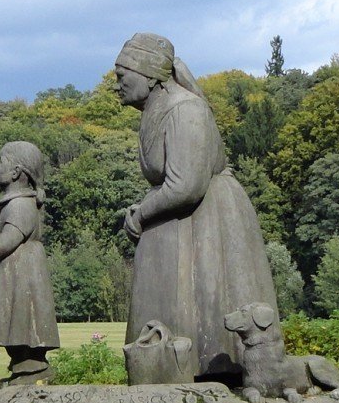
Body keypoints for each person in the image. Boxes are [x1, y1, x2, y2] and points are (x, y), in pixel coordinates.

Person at [113, 32, 274, 384]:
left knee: (210, 309)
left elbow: (186, 185)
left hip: (211, 221)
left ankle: (215, 379)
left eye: (122, 76)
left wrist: (141, 213)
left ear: (150, 75)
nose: (117, 85)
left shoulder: (186, 110)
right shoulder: (156, 110)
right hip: (180, 220)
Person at [0, 141, 59, 385]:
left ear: (16, 172)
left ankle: (32, 369)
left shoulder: (20, 205)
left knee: (22, 323)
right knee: (16, 324)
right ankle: (24, 369)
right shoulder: (17, 202)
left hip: (23, 275)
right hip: (17, 271)